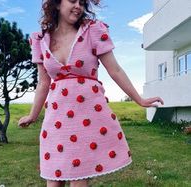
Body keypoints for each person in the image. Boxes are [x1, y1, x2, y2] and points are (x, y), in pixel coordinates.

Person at [18, 0, 164, 186]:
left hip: (87, 116)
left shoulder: (93, 30)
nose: (78, 5)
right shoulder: (40, 39)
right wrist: (33, 114)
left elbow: (115, 70)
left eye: (82, 2)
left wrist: (139, 100)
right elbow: (43, 82)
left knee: (79, 179)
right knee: (54, 179)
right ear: (56, 4)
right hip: (57, 118)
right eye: (72, 0)